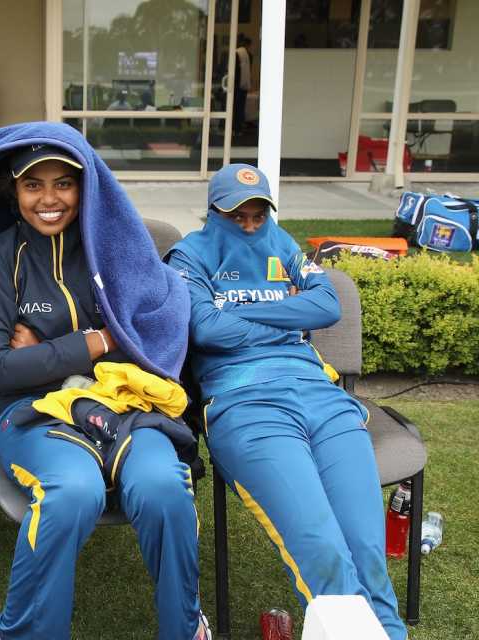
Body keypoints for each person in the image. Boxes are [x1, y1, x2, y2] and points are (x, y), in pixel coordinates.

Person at [0, 145, 209, 640]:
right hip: (34, 411)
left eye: (64, 183)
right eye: (33, 185)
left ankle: (185, 629)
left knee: (163, 487)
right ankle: (19, 632)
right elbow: (0, 369)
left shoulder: (117, 248)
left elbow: (155, 339)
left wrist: (54, 349)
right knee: (73, 493)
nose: (49, 198)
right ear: (14, 191)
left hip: (125, 405)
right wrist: (96, 340)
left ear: (86, 187)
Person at [166, 163, 407, 640]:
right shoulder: (188, 256)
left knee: (367, 554)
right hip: (246, 405)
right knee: (325, 554)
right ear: (213, 210)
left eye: (259, 213)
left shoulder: (282, 242)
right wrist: (287, 316)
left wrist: (237, 308)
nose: (251, 225)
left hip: (322, 397)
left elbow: (327, 306)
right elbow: (206, 330)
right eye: (238, 215)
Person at [234, 34, 253, 134]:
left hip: (236, 85)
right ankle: (239, 127)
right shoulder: (249, 55)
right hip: (244, 84)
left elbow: (235, 70)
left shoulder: (236, 53)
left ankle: (235, 127)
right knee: (241, 107)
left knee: (235, 107)